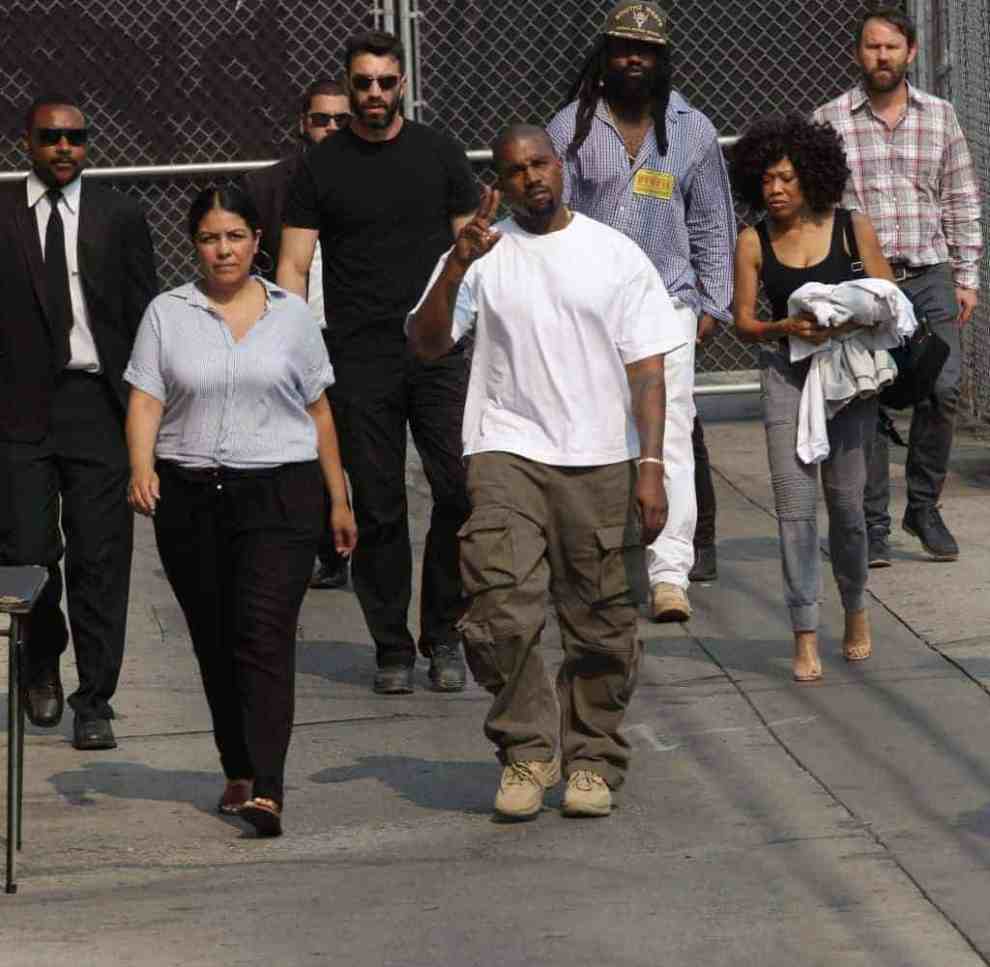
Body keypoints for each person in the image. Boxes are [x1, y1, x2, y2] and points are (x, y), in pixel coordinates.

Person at [407, 125, 685, 818]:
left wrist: (651, 466)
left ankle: (591, 757)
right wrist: (456, 266)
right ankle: (527, 751)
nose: (531, 177)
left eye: (540, 164)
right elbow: (427, 343)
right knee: (500, 605)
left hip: (600, 457)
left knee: (600, 622)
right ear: (497, 182)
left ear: (560, 168)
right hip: (507, 451)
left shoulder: (613, 254)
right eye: (513, 170)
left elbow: (648, 370)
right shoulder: (483, 253)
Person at [124, 186, 357, 837]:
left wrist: (338, 498)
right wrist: (142, 467)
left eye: (234, 236)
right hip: (192, 496)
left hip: (281, 493)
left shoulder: (291, 316)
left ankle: (269, 787)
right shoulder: (167, 313)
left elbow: (319, 410)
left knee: (263, 631)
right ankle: (239, 765)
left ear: (258, 239)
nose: (222, 249)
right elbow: (145, 398)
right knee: (215, 635)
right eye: (208, 238)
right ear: (193, 244)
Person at [277, 30, 480, 695]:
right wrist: (294, 352)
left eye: (384, 82)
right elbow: (294, 265)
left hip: (440, 348)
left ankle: (443, 630)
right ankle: (392, 643)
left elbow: (471, 254)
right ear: (347, 82)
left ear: (402, 85)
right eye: (361, 83)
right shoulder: (320, 166)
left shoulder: (440, 153)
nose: (372, 94)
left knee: (458, 489)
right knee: (380, 503)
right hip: (358, 356)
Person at [546, 0, 735, 619]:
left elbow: (710, 219)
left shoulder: (693, 130)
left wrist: (714, 302)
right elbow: (551, 220)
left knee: (671, 432)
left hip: (668, 303)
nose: (636, 57)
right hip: (589, 308)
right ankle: (598, 563)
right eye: (625, 46)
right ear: (605, 54)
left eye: (648, 50)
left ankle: (669, 574)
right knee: (595, 435)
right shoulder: (568, 128)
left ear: (662, 59)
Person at [0, 93, 157, 750]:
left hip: (98, 405)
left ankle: (95, 697)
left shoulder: (120, 216)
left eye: (75, 137)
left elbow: (146, 317)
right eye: (50, 137)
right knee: (24, 553)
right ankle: (40, 663)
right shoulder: (4, 218)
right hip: (20, 410)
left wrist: (149, 418)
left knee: (101, 557)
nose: (64, 148)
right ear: (26, 142)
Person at [812, 6, 982, 566]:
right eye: (871, 46)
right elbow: (817, 208)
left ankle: (924, 507)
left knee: (944, 387)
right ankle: (873, 525)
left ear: (910, 53)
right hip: (863, 282)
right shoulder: (830, 120)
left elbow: (960, 197)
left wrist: (966, 275)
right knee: (869, 397)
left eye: (891, 47)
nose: (880, 56)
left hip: (930, 274)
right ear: (857, 53)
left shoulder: (940, 117)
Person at [730, 114, 894, 682]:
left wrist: (845, 317)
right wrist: (786, 329)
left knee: (848, 510)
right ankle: (803, 631)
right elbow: (744, 321)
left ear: (812, 178)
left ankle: (854, 608)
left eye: (786, 179)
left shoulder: (852, 227)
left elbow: (887, 299)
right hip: (785, 377)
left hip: (848, 381)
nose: (774, 190)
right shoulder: (752, 240)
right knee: (795, 514)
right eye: (767, 180)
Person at [244, 77, 352, 591]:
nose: (331, 128)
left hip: (356, 334)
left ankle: (354, 539)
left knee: (358, 445)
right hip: (294, 332)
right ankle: (318, 548)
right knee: (298, 444)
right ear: (302, 124)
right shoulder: (266, 187)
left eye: (342, 120)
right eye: (321, 119)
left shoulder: (373, 178)